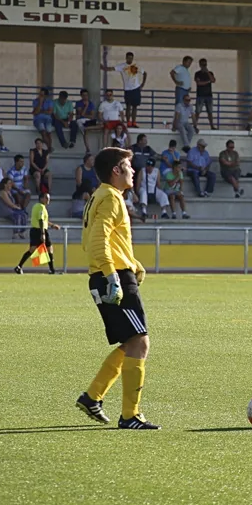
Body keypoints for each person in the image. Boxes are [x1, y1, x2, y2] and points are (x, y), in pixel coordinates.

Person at [77, 147, 159, 430]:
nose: (133, 170)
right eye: (128, 165)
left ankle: (92, 397)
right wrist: (114, 274)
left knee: (130, 342)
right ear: (116, 170)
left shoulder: (100, 195)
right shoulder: (111, 197)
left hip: (107, 273)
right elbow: (99, 239)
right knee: (140, 342)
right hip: (112, 276)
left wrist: (132, 262)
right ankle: (130, 415)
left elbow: (97, 240)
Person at [15, 192, 60, 274]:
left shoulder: (36, 206)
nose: (48, 200)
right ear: (41, 198)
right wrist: (43, 234)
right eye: (46, 198)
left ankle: (19, 266)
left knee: (32, 250)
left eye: (49, 198)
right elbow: (41, 220)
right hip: (40, 230)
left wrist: (52, 225)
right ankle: (52, 270)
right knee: (49, 249)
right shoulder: (41, 207)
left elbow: (43, 220)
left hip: (34, 230)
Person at [103, 51, 147, 128]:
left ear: (133, 58)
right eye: (128, 58)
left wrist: (142, 84)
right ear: (126, 58)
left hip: (136, 88)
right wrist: (103, 67)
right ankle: (128, 122)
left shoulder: (136, 66)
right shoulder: (122, 66)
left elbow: (145, 73)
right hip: (127, 89)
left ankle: (134, 122)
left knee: (135, 106)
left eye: (131, 58)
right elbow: (112, 68)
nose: (130, 59)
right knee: (128, 106)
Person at [194, 58, 216, 129]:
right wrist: (208, 82)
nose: (204, 66)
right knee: (197, 111)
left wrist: (208, 73)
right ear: (200, 65)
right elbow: (199, 83)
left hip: (209, 95)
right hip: (200, 95)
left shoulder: (210, 73)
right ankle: (195, 125)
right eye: (203, 64)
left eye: (205, 64)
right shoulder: (197, 74)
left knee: (210, 112)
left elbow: (213, 80)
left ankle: (212, 126)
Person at [75, 88, 99, 153]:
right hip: (80, 120)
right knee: (85, 132)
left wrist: (84, 115)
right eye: (84, 95)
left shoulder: (91, 103)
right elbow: (81, 114)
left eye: (86, 95)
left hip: (88, 121)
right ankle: (87, 148)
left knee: (102, 124)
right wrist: (86, 106)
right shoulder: (78, 103)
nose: (85, 97)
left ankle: (87, 128)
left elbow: (92, 116)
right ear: (81, 96)